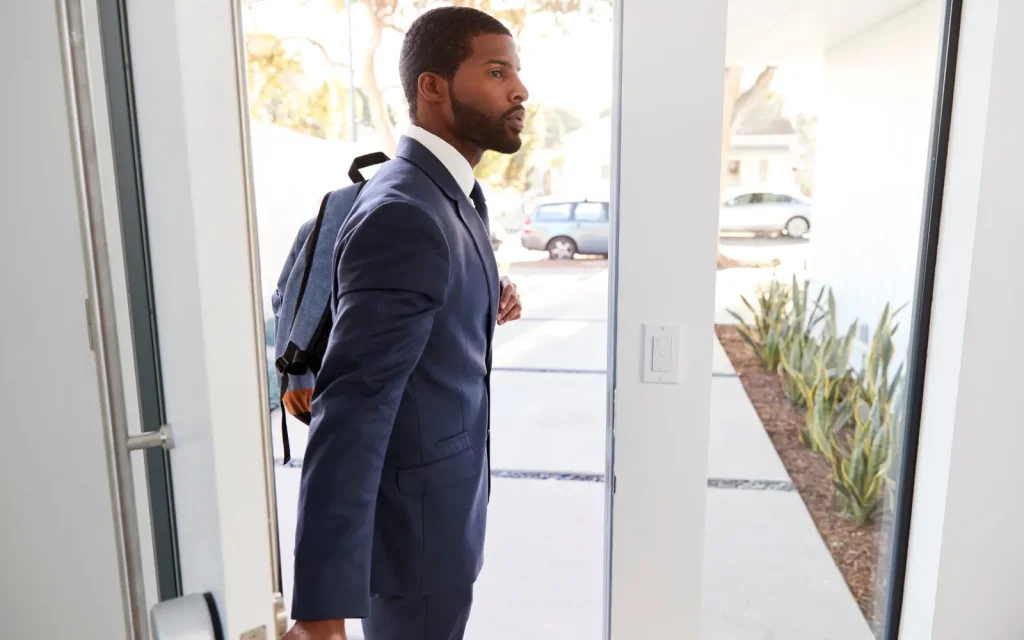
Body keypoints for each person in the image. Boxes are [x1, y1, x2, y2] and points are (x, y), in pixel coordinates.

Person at [284, 7, 528, 640]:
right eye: (497, 71)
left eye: (517, 72)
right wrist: (319, 611)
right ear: (433, 86)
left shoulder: (442, 193)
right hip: (413, 546)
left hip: (439, 523)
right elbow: (352, 410)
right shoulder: (408, 212)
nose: (520, 90)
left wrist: (485, 291)